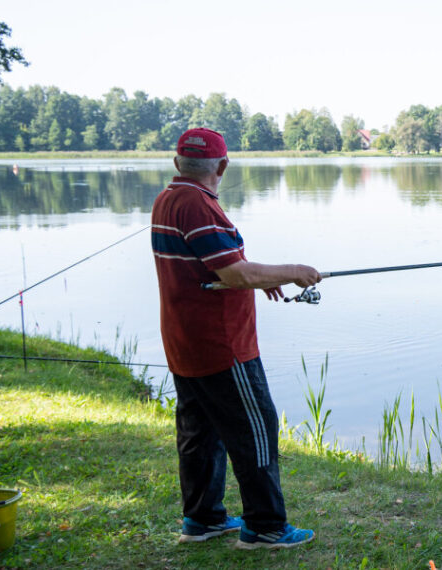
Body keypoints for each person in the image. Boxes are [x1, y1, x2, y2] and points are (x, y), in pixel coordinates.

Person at [151, 128, 321, 549]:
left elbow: (219, 267)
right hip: (222, 346)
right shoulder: (198, 205)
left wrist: (257, 278)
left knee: (200, 434)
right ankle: (265, 527)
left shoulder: (168, 199)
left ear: (177, 163)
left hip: (184, 340)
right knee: (256, 429)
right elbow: (235, 274)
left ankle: (203, 519)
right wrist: (293, 270)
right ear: (222, 166)